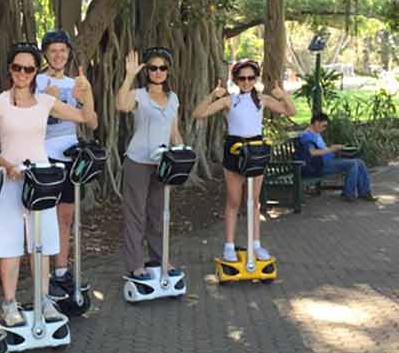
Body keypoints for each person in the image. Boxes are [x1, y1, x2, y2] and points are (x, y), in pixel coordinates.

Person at [0, 42, 96, 326]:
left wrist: (86, 94)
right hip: (12, 180)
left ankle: (44, 299)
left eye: (28, 68)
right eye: (17, 67)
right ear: (10, 69)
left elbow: (87, 119)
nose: (22, 73)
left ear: (37, 71)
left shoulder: (46, 102)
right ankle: (10, 304)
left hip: (42, 180)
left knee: (42, 244)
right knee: (11, 245)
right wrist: (6, 165)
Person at [192, 59, 296, 263]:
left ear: (255, 79)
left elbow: (290, 112)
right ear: (236, 80)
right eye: (242, 78)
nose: (246, 82)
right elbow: (199, 113)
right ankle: (229, 246)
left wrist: (283, 95)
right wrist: (213, 95)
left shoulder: (262, 99)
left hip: (256, 150)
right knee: (234, 200)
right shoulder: (230, 100)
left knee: (254, 202)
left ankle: (255, 244)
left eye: (250, 78)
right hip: (235, 149)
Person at [35, 29, 99, 298]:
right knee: (42, 218)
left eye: (63, 50)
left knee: (65, 217)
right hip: (43, 157)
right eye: (53, 50)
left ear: (69, 53)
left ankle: (61, 271)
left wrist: (86, 97)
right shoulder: (35, 81)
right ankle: (43, 275)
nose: (58, 55)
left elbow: (92, 123)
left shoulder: (78, 82)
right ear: (46, 54)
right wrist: (45, 98)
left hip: (71, 157)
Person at [115, 47, 184, 280]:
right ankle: (135, 265)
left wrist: (181, 154)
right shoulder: (139, 95)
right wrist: (129, 75)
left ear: (168, 71)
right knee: (136, 215)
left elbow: (174, 132)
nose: (157, 72)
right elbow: (120, 105)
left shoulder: (173, 98)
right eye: (153, 68)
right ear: (147, 71)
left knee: (159, 214)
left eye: (162, 68)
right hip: (138, 161)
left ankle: (161, 258)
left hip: (163, 164)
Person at [298, 113, 377, 202]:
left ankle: (364, 192)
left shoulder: (316, 133)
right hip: (319, 166)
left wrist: (334, 148)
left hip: (328, 161)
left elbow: (322, 149)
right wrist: (331, 149)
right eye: (324, 126)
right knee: (353, 164)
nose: (325, 128)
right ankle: (349, 193)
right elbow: (312, 152)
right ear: (316, 123)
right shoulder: (307, 136)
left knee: (360, 162)